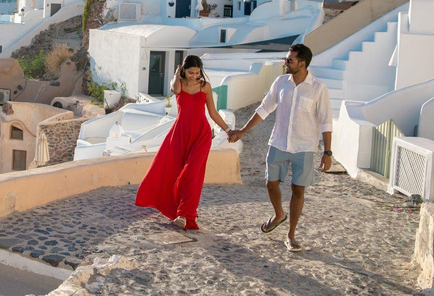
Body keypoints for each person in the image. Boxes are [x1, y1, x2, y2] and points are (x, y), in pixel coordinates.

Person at [228, 43, 332, 252]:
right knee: (270, 184)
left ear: (302, 64)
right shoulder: (281, 82)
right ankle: (279, 215)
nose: (285, 63)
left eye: (289, 60)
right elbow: (264, 108)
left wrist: (327, 152)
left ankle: (291, 235)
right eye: (286, 59)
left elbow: (326, 122)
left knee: (298, 190)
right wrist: (243, 131)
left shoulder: (318, 88)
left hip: (304, 146)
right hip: (278, 142)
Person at [135, 55, 232, 230]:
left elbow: (213, 113)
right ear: (183, 70)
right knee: (171, 170)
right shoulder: (179, 84)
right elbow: (174, 89)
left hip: (201, 135)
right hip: (180, 134)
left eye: (197, 72)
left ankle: (185, 214)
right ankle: (178, 209)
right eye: (190, 72)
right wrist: (176, 75)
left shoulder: (205, 87)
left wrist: (227, 130)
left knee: (192, 172)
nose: (194, 76)